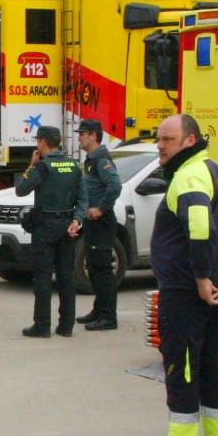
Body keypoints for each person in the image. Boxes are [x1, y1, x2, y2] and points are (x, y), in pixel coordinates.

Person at [135, 114, 218, 436]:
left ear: (189, 141)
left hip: (189, 291)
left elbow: (199, 226)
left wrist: (202, 276)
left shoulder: (188, 176)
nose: (160, 145)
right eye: (159, 139)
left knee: (182, 370)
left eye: (167, 139)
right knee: (217, 368)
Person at [15, 126, 86, 337]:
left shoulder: (43, 167)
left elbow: (21, 190)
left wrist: (31, 166)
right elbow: (83, 198)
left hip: (45, 225)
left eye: (38, 141)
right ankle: (66, 326)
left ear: (43, 143)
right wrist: (77, 219)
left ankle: (42, 325)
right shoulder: (74, 166)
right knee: (66, 276)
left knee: (43, 277)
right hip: (67, 225)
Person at [74, 119, 124, 331]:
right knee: (93, 268)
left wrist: (101, 208)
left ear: (94, 135)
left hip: (101, 221)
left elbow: (115, 184)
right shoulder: (91, 159)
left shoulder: (101, 158)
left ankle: (108, 317)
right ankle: (99, 309)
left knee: (102, 269)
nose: (79, 137)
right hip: (92, 222)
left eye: (83, 133)